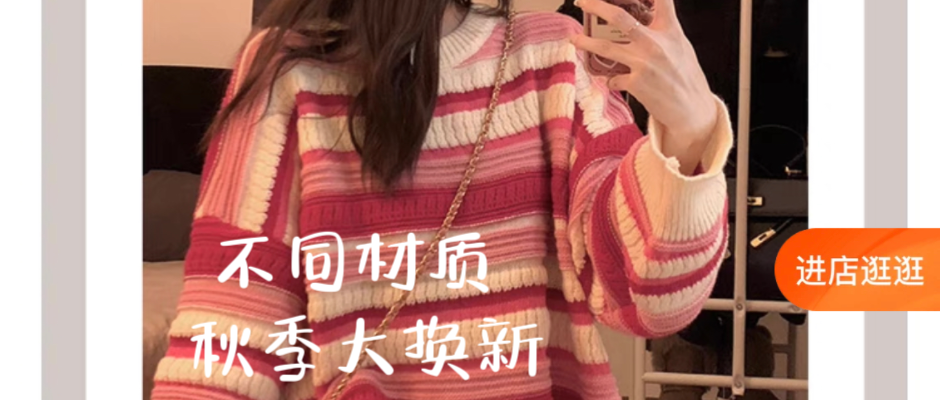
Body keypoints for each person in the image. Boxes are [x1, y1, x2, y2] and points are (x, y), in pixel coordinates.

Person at [149, 0, 733, 399]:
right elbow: (224, 344)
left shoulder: (553, 59)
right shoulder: (289, 73)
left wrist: (691, 129)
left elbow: (649, 300)